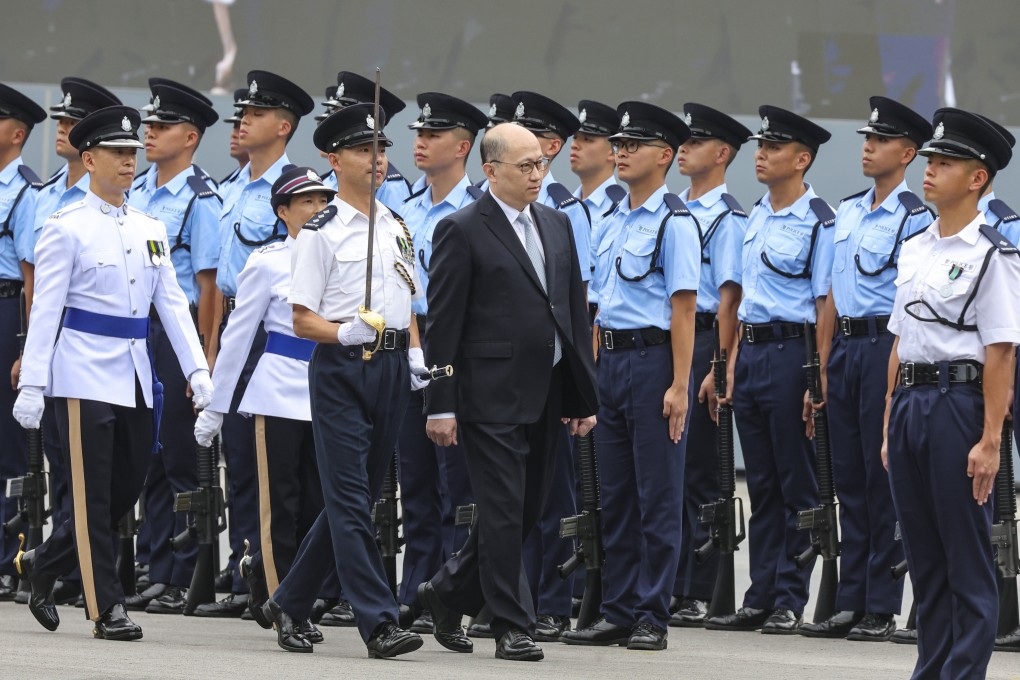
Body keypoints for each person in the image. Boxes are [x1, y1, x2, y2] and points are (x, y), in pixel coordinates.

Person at [11, 105, 212, 640]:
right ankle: (106, 609)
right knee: (93, 495)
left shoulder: (149, 227)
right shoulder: (65, 227)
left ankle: (45, 563)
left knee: (125, 488)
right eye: (118, 154)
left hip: (135, 373)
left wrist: (197, 370)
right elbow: (45, 309)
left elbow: (171, 304)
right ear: (90, 158)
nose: (130, 161)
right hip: (79, 375)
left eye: (132, 153)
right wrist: (33, 382)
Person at [417, 122, 598, 662]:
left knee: (526, 510)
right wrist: (440, 402)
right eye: (525, 166)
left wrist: (582, 397)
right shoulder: (462, 228)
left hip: (545, 392)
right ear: (491, 170)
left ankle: (446, 592)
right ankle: (510, 624)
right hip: (487, 394)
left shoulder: (559, 224)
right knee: (500, 508)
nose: (538, 174)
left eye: (542, 163)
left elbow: (570, 311)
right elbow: (443, 324)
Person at [259, 103, 425, 659]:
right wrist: (344, 332)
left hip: (394, 368)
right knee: (354, 500)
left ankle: (289, 600)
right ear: (334, 159)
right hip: (342, 370)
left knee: (355, 497)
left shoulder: (397, 224)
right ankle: (378, 621)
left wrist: (416, 352)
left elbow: (409, 300)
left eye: (381, 150)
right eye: (362, 151)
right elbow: (301, 318)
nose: (376, 160)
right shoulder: (320, 232)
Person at [883, 108, 1020, 679]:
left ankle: (964, 672)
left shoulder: (993, 253)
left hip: (957, 405)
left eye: (945, 163)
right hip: (912, 404)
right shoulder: (915, 247)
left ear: (978, 178)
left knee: (964, 556)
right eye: (931, 161)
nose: (930, 170)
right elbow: (899, 338)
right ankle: (932, 668)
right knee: (924, 556)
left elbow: (1001, 351)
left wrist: (991, 439)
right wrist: (889, 419)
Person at [562, 102, 699, 651]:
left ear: (664, 156)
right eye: (618, 144)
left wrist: (680, 385)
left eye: (634, 145)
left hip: (653, 362)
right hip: (611, 362)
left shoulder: (675, 221)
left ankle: (651, 613)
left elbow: (684, 308)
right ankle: (617, 608)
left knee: (657, 494)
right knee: (615, 494)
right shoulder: (613, 216)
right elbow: (599, 305)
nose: (621, 153)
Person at [798, 97, 933, 641]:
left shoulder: (914, 218)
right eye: (865, 139)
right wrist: (823, 367)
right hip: (847, 350)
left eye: (879, 141)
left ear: (907, 153)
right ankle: (849, 598)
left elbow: (907, 301)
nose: (868, 148)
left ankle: (881, 602)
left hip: (885, 346)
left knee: (882, 481)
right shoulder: (848, 211)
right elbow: (830, 295)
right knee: (848, 478)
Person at [704, 106, 834, 634]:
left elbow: (825, 302)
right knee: (759, 484)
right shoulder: (755, 214)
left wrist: (817, 374)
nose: (761, 155)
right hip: (753, 355)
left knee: (794, 483)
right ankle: (758, 594)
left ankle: (789, 596)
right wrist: (727, 364)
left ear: (801, 160)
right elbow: (738, 300)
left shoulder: (818, 218)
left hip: (791, 354)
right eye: (760, 147)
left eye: (774, 148)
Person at [194, 166, 334, 643]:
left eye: (322, 201)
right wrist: (216, 404)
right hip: (277, 392)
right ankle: (287, 609)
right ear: (283, 212)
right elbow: (237, 338)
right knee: (282, 505)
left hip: (329, 394)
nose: (317, 210)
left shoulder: (344, 254)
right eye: (306, 202)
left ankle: (283, 587)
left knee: (321, 506)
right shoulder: (269, 260)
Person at [206, 70, 313, 618]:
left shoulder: (300, 191)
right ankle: (246, 572)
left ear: (284, 125)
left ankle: (285, 584)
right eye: (242, 113)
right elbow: (214, 278)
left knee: (281, 468)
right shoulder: (230, 187)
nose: (243, 121)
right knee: (241, 462)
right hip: (235, 327)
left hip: (281, 336)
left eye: (255, 113)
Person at [14, 77, 122, 607]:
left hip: (111, 346)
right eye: (59, 120)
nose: (62, 129)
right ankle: (77, 570)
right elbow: (36, 282)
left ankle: (65, 563)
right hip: (57, 343)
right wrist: (31, 355)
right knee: (65, 468)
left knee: (111, 476)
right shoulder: (46, 194)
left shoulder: (122, 201)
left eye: (72, 122)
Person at [124, 80, 221, 614]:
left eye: (160, 127)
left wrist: (202, 359)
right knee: (149, 453)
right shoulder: (137, 192)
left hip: (176, 328)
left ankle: (184, 573)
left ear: (190, 137)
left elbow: (207, 288)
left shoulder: (201, 199)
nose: (148, 134)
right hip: (138, 328)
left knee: (183, 455)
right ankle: (155, 565)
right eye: (148, 125)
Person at [397, 92, 487, 636]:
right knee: (417, 480)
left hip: (457, 348)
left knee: (461, 485)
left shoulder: (479, 210)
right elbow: (400, 287)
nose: (420, 142)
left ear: (462, 146)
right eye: (419, 133)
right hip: (414, 342)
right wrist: (412, 345)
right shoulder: (405, 208)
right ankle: (413, 595)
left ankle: (451, 596)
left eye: (432, 135)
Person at [509, 89, 592, 642]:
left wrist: (578, 387)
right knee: (504, 496)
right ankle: (512, 597)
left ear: (552, 148)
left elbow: (575, 304)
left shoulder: (563, 213)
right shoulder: (491, 208)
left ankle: (552, 598)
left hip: (550, 369)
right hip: (505, 372)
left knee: (549, 493)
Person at [669, 102, 751, 628]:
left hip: (702, 341)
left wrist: (716, 366)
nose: (683, 149)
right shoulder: (672, 209)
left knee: (698, 472)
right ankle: (669, 580)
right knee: (665, 474)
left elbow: (729, 302)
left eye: (695, 143)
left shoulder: (727, 218)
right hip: (667, 341)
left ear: (721, 154)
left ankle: (697, 588)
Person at [0, 82, 45, 600]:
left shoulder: (27, 192)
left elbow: (33, 277)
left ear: (16, 134)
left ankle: (13, 555)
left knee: (11, 449)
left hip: (8, 306)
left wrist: (26, 347)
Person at [317, 71, 413, 212]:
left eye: (345, 114)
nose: (334, 119)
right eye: (335, 111)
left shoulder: (390, 185)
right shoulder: (326, 179)